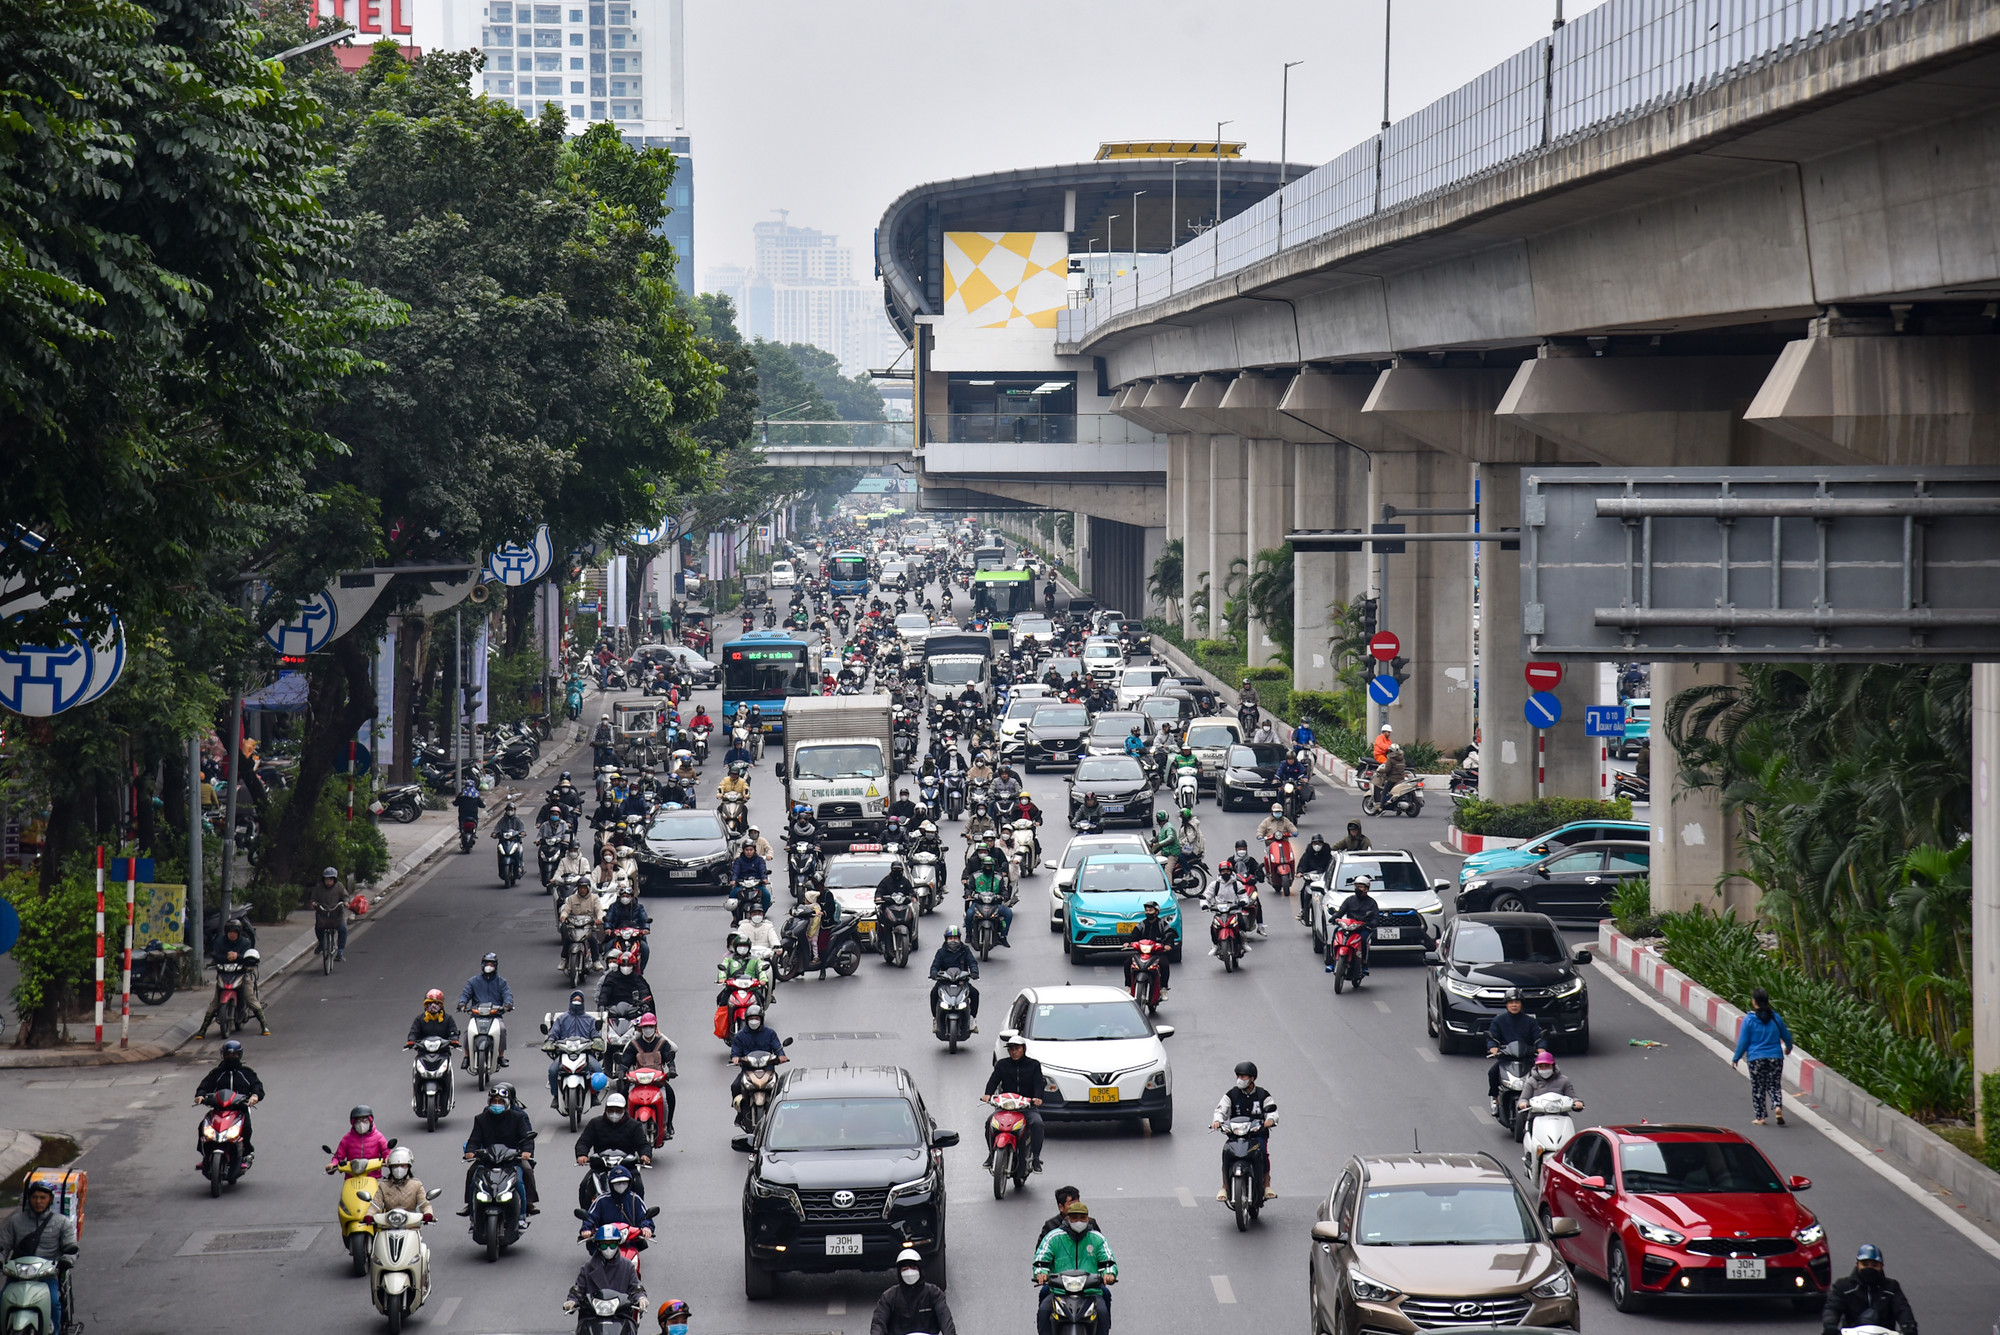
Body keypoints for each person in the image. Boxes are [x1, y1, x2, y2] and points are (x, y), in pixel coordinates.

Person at [2, 1179, 77, 1332]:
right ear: (29, 1199)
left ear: (50, 1200)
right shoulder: (15, 1221)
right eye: (34, 1197)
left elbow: (71, 1247)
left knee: (54, 1304)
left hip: (46, 1275)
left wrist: (67, 1260)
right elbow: (3, 1245)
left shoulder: (62, 1222)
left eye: (43, 1198)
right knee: (2, 1300)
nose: (38, 1201)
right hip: (17, 1274)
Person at [1031, 1200, 1116, 1335]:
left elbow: (1108, 1260)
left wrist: (1109, 1274)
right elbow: (1041, 1258)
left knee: (1102, 1313)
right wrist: (1041, 1273)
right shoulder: (1054, 1237)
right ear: (1068, 1218)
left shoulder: (1097, 1239)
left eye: (1082, 1217)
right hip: (1059, 1292)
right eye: (1075, 1217)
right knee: (1044, 1312)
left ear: (1088, 1218)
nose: (1079, 1221)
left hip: (1090, 1291)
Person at [460, 1082, 537, 1215]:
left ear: (507, 1102)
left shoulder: (518, 1118)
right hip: (487, 1159)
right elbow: (474, 1140)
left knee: (526, 1172)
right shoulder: (481, 1119)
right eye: (494, 1101)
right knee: (472, 1174)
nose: (497, 1104)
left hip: (512, 1159)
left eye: (500, 1101)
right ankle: (470, 1207)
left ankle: (526, 1208)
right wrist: (470, 1151)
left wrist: (526, 1151)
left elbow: (527, 1139)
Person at [1209, 1060, 1279, 1200]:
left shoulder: (1262, 1094)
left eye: (1243, 1076)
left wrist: (1270, 1120)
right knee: (1227, 1153)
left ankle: (1266, 1184)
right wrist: (1217, 1121)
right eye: (1238, 1076)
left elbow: (1272, 1112)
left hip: (1256, 1134)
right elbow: (1221, 1110)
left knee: (1262, 1153)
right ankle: (1224, 1187)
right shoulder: (1232, 1094)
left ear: (1252, 1078)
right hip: (1235, 1135)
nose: (1240, 1079)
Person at [1730, 986, 1795, 1126]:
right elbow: (1787, 1037)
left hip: (1756, 1058)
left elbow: (1743, 1042)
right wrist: (1788, 1049)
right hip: (1775, 1057)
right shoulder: (1776, 1018)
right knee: (1774, 1084)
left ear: (1754, 1002)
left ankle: (1760, 1117)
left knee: (1758, 1087)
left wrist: (1736, 1058)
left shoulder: (1749, 1020)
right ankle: (1777, 1105)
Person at [1821, 1244, 1917, 1335]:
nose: (1869, 1268)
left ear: (1881, 1266)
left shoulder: (1891, 1287)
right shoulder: (1843, 1286)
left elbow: (1902, 1309)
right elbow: (1832, 1308)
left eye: (1874, 1265)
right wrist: (1830, 1326)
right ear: (1857, 1264)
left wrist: (1908, 1326)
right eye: (1865, 1264)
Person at [982, 1032, 1044, 1173]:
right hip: (1006, 1106)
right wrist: (987, 1094)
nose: (1014, 1052)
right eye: (1011, 1049)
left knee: (1037, 1123)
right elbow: (993, 1081)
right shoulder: (1002, 1065)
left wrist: (1037, 1097)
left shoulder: (1033, 1065)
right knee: (989, 1122)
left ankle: (1035, 1158)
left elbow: (1039, 1083)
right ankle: (991, 1155)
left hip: (1026, 1106)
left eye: (1017, 1049)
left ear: (1024, 1049)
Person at [197, 918, 269, 1036]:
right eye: (230, 932)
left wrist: (238, 956)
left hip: (241, 974)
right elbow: (215, 955)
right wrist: (226, 957)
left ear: (239, 932)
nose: (232, 934)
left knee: (250, 997)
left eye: (234, 932)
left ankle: (264, 1025)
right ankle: (203, 1029)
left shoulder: (245, 943)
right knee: (215, 1002)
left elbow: (248, 955)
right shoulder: (219, 941)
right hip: (224, 974)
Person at [194, 1039, 263, 1159]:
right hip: (218, 1109)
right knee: (203, 1127)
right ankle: (206, 1156)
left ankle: (246, 1153)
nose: (231, 1057)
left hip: (239, 1110)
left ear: (239, 1055)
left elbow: (257, 1086)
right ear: (223, 1055)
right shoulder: (216, 1073)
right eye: (228, 1054)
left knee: (246, 1128)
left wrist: (255, 1096)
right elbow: (204, 1086)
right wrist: (200, 1095)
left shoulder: (246, 1073)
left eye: (234, 1054)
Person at [574, 1093, 655, 1195]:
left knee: (638, 1186)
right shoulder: (595, 1123)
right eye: (611, 1110)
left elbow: (643, 1144)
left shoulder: (634, 1126)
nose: (614, 1113)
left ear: (624, 1110)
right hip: (601, 1166)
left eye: (618, 1111)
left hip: (627, 1166)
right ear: (606, 1109)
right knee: (584, 1186)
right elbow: (583, 1142)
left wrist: (645, 1155)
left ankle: (637, 1205)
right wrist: (582, 1155)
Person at [565, 1225, 646, 1322]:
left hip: (621, 1317)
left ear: (617, 1244)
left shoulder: (628, 1266)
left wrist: (641, 1298)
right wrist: (572, 1301)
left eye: (612, 1245)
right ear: (598, 1245)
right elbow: (578, 1290)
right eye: (604, 1245)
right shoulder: (587, 1267)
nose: (608, 1249)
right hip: (592, 1317)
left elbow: (636, 1288)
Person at [870, 1247, 957, 1335]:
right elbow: (878, 1324)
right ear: (899, 1272)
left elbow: (946, 1321)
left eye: (913, 1267)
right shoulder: (889, 1297)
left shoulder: (934, 1293)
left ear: (920, 1269)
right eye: (905, 1269)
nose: (909, 1272)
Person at [1485, 990, 1544, 1114]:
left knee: (1543, 1074)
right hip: (1506, 1058)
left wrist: (1541, 1047)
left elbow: (1539, 1037)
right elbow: (1492, 1037)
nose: (1514, 1005)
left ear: (1521, 1004)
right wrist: (1493, 1047)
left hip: (1527, 1057)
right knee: (1492, 1073)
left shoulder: (1530, 1021)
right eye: (1511, 1002)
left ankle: (1542, 1100)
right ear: (1506, 1004)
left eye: (1517, 1002)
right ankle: (1495, 1099)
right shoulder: (1498, 1020)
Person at [543, 990, 604, 1109]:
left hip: (585, 1053)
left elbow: (594, 1033)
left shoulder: (590, 1020)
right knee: (552, 1070)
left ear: (583, 1002)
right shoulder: (562, 1019)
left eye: (579, 1000)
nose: (577, 1002)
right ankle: (555, 1096)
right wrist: (550, 1041)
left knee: (597, 1069)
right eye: (574, 1000)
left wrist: (597, 1040)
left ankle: (594, 1095)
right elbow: (554, 1033)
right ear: (570, 1001)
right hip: (564, 1053)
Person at [458, 952, 516, 1067]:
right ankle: (466, 1056)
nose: (489, 966)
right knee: (468, 1031)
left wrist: (508, 1004)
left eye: (492, 964)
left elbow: (507, 995)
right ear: (482, 965)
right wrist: (462, 1004)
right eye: (487, 964)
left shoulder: (501, 982)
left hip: (495, 1016)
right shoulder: (473, 981)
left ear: (496, 966)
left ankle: (501, 1056)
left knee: (502, 1030)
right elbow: (465, 994)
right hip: (477, 1015)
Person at [728, 1005, 788, 1105]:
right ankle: (740, 1109)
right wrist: (735, 1058)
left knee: (780, 1087)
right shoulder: (740, 1036)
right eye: (751, 1018)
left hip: (767, 1069)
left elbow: (777, 1047)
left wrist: (781, 1056)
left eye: (756, 1018)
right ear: (746, 1020)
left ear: (761, 1019)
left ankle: (778, 1109)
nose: (754, 1021)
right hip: (748, 1070)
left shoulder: (770, 1033)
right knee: (735, 1086)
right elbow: (735, 1051)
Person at [577, 1164, 654, 1238]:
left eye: (624, 1182)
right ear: (611, 1184)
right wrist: (587, 1229)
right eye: (617, 1183)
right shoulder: (601, 1201)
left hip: (630, 1240)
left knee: (639, 1245)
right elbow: (591, 1217)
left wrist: (646, 1227)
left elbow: (644, 1216)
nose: (621, 1185)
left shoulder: (635, 1199)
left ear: (629, 1182)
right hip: (605, 1241)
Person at [1327, 874, 1380, 976]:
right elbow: (1340, 912)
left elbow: (1375, 919)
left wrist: (1370, 924)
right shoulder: (1349, 900)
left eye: (1361, 887)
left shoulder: (1371, 903)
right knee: (1336, 932)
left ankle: (1364, 964)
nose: (1358, 889)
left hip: (1363, 928)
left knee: (1364, 939)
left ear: (1366, 889)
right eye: (1356, 886)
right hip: (1348, 927)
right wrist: (1334, 917)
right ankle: (1332, 961)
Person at [927, 925, 979, 1023]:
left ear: (959, 939)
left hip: (962, 982)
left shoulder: (965, 950)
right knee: (933, 993)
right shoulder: (941, 952)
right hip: (944, 982)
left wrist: (974, 972)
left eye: (955, 938)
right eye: (950, 938)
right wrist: (934, 973)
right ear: (946, 939)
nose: (953, 941)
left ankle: (972, 1018)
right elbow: (935, 966)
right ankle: (935, 1018)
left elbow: (972, 962)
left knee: (975, 993)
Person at [1517, 1049, 1581, 1128]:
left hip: (1561, 1116)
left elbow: (1572, 1097)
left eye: (1547, 1066)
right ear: (1537, 1068)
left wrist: (1577, 1103)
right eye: (1541, 1067)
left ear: (1553, 1066)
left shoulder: (1564, 1080)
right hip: (1537, 1117)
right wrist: (1523, 1104)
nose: (1544, 1069)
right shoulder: (1531, 1081)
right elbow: (1523, 1099)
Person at [1126, 901, 1174, 997]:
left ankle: (1163, 989)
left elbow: (1169, 934)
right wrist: (1127, 943)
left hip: (1157, 953)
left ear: (1156, 912)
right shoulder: (1141, 925)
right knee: (1127, 963)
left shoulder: (1162, 924)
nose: (1148, 912)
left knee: (1164, 964)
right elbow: (1133, 935)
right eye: (1146, 910)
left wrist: (1168, 945)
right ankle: (1128, 986)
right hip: (1142, 953)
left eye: (1150, 910)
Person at [371, 1146, 434, 1219]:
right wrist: (369, 1215)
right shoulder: (383, 1185)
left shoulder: (416, 1185)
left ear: (408, 1167)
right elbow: (375, 1205)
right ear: (391, 1168)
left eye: (402, 1166)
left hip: (411, 1223)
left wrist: (428, 1214)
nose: (399, 1169)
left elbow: (425, 1204)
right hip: (389, 1222)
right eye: (395, 1166)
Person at [327, 1104, 389, 1172]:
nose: (361, 1124)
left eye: (365, 1120)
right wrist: (333, 1164)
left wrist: (387, 1159)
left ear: (370, 1121)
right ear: (353, 1123)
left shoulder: (378, 1137)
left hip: (373, 1175)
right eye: (358, 1121)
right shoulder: (347, 1139)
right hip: (352, 1175)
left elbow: (386, 1151)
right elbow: (338, 1157)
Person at [603, 885, 652, 970]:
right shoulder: (614, 906)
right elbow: (608, 919)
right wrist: (607, 928)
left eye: (627, 896)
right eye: (623, 896)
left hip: (635, 934)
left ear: (632, 897)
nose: (625, 898)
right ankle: (609, 968)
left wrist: (646, 928)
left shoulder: (639, 907)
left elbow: (644, 919)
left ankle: (641, 969)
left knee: (645, 949)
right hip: (618, 934)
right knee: (608, 947)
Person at [558, 878, 604, 967]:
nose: (582, 890)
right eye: (580, 888)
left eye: (584, 888)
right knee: (568, 939)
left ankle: (596, 961)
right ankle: (564, 959)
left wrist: (599, 919)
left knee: (593, 940)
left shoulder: (594, 898)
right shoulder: (571, 898)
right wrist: (563, 916)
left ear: (588, 888)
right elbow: (566, 909)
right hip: (574, 925)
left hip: (589, 925)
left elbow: (599, 910)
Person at [306, 866, 348, 961]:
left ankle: (340, 952)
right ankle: (321, 943)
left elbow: (345, 896)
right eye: (326, 879)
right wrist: (313, 903)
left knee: (343, 929)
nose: (328, 882)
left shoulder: (339, 886)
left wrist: (346, 902)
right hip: (323, 913)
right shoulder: (318, 887)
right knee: (318, 928)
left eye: (330, 880)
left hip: (336, 914)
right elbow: (313, 898)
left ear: (334, 880)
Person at [597, 948, 653, 1014]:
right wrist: (602, 1004)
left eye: (629, 965)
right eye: (623, 965)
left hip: (634, 1011)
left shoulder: (637, 978)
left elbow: (643, 990)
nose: (626, 968)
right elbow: (605, 991)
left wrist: (645, 1004)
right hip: (613, 1011)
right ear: (619, 966)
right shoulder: (611, 977)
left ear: (633, 966)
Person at [730, 842, 771, 913]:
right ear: (743, 850)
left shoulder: (759, 860)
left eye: (751, 850)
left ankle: (762, 914)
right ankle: (735, 916)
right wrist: (733, 880)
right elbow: (735, 871)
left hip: (757, 884)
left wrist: (764, 878)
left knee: (766, 895)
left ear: (754, 850)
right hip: (741, 885)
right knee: (732, 896)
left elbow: (762, 870)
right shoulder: (738, 860)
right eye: (747, 850)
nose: (749, 852)